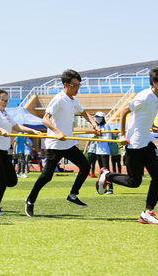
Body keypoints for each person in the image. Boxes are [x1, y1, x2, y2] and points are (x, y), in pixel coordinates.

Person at [97, 65, 158, 225]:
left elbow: (144, 115)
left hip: (147, 142)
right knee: (134, 182)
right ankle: (107, 175)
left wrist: (152, 125)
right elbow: (124, 111)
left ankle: (147, 213)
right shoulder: (144, 96)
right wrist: (122, 135)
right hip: (135, 145)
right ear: (154, 82)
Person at [25, 70, 100, 217]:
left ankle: (72, 195)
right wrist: (57, 131)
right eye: (74, 85)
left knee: (85, 167)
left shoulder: (73, 100)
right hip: (56, 145)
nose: (77, 88)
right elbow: (45, 119)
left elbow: (84, 113)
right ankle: (30, 200)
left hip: (69, 144)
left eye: (79, 85)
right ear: (66, 85)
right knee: (47, 177)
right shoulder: (58, 99)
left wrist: (94, 125)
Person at [0, 90, 41, 216]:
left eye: (7, 100)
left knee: (12, 181)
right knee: (2, 182)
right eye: (3, 100)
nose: (5, 102)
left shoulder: (5, 113)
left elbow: (16, 126)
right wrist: (1, 129)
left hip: (4, 151)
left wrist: (32, 131)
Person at [94, 112, 114, 194]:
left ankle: (111, 189)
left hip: (105, 151)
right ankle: (102, 189)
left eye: (98, 117)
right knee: (101, 171)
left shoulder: (106, 126)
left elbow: (108, 138)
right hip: (98, 151)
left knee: (106, 171)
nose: (97, 118)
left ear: (102, 118)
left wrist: (99, 136)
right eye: (96, 117)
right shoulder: (97, 127)